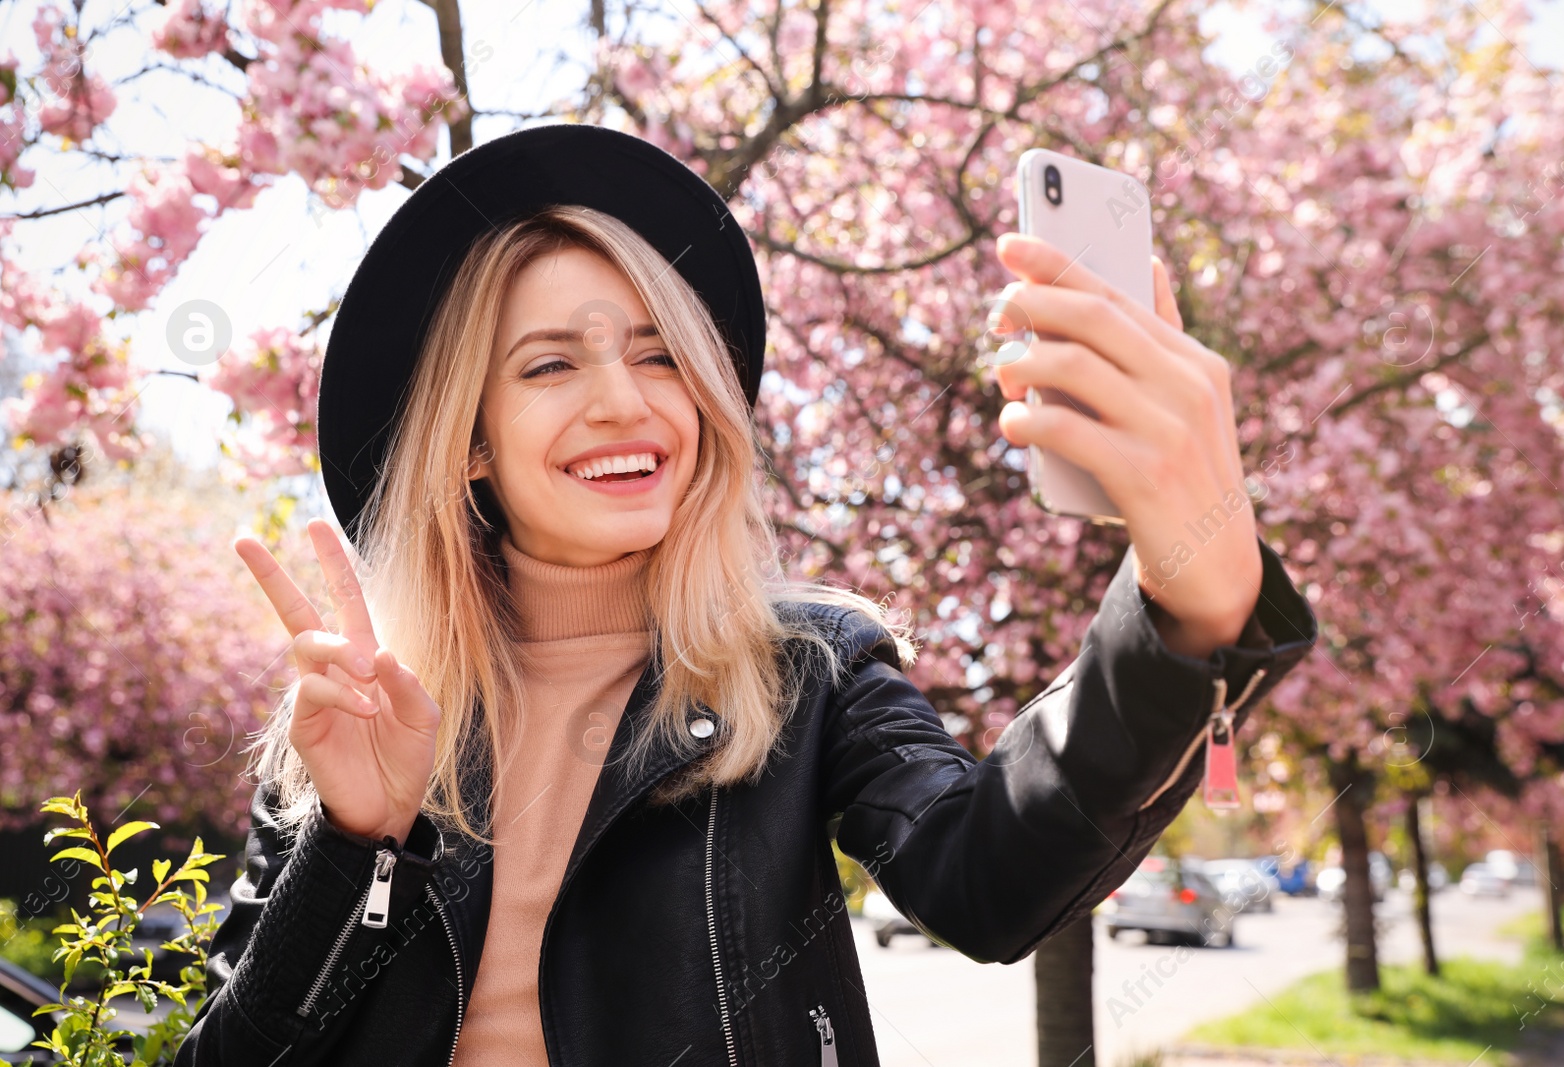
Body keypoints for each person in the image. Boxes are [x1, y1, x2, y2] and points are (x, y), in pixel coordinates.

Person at [174, 123, 1316, 1067]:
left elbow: (992, 877)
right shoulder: (362, 730)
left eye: (660, 353)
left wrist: (1188, 605)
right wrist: (360, 842)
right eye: (552, 363)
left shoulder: (804, 669)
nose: (627, 400)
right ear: (469, 443)